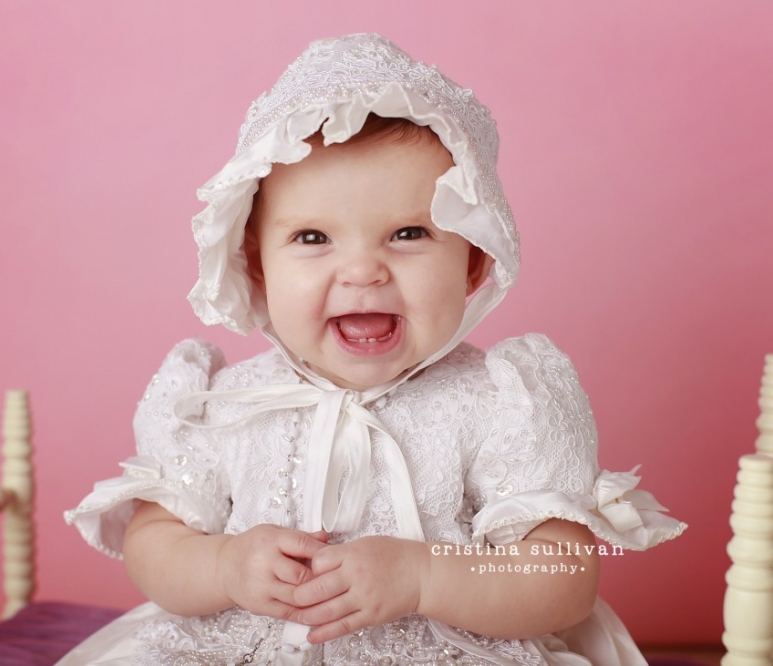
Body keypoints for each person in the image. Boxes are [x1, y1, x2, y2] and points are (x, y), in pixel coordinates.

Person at [61, 34, 685, 666]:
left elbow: (565, 577)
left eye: (408, 233)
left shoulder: (499, 402)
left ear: (473, 262)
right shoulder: (224, 403)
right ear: (256, 268)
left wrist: (425, 577)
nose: (362, 271)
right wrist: (225, 564)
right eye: (312, 237)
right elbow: (152, 542)